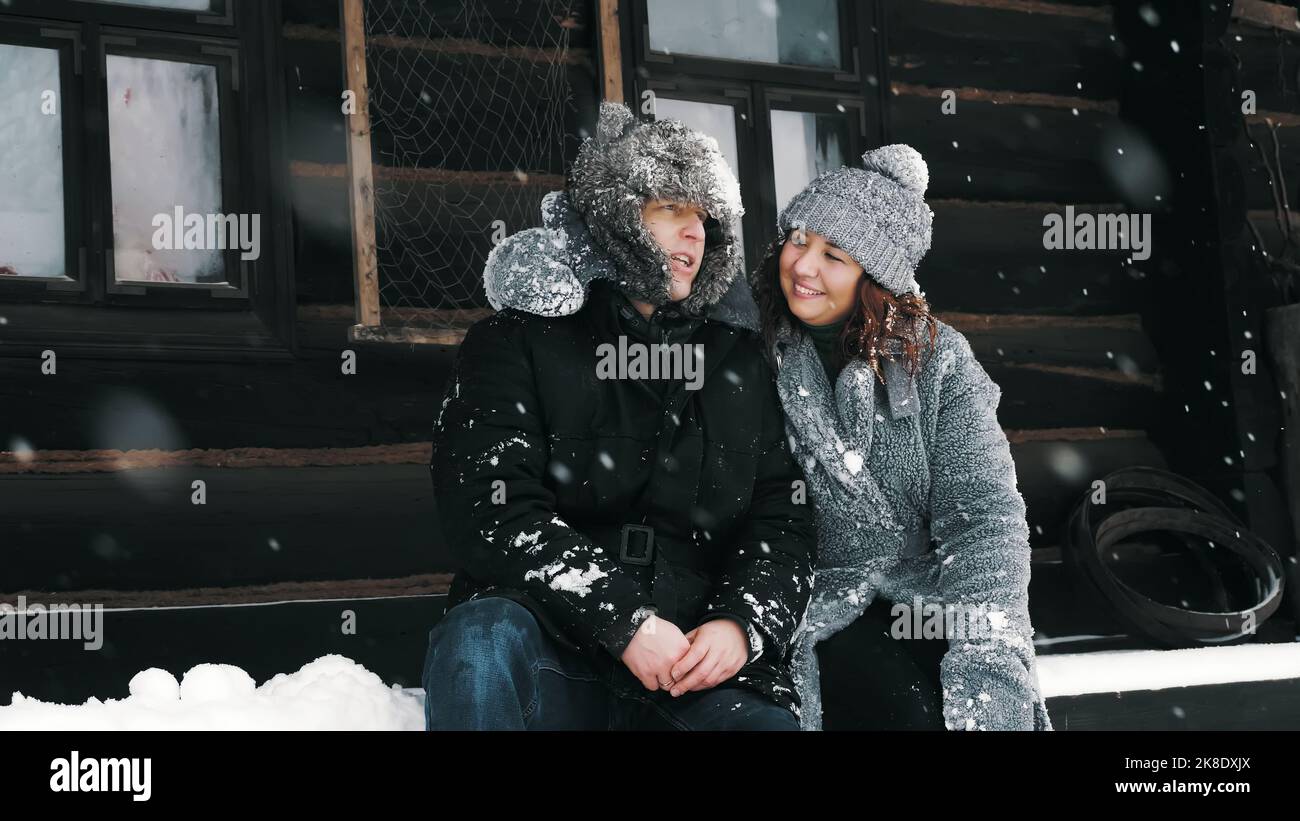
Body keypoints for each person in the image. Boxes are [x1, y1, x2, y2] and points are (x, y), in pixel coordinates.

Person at [486, 141, 1053, 731]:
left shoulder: (937, 364)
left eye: (834, 255)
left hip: (933, 599)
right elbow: (624, 269)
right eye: (798, 239)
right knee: (894, 705)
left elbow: (985, 519)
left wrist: (985, 648)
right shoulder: (751, 343)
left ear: (875, 279)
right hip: (816, 601)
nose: (803, 266)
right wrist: (541, 270)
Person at [422, 102, 817, 731]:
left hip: (693, 672)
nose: (696, 232)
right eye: (672, 209)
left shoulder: (740, 361)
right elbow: (490, 508)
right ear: (617, 214)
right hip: (553, 649)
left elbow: (784, 517)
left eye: (704, 217)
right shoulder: (515, 341)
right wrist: (622, 620)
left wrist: (740, 625)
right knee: (479, 644)